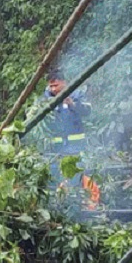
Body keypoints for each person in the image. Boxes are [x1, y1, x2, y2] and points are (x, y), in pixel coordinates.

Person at [41, 75, 101, 208]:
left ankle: (78, 204)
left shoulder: (76, 94)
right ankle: (58, 205)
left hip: (75, 146)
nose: (53, 89)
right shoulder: (45, 98)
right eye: (51, 86)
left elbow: (87, 110)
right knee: (55, 176)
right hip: (55, 148)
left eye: (56, 85)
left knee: (75, 175)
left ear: (64, 83)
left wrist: (73, 104)